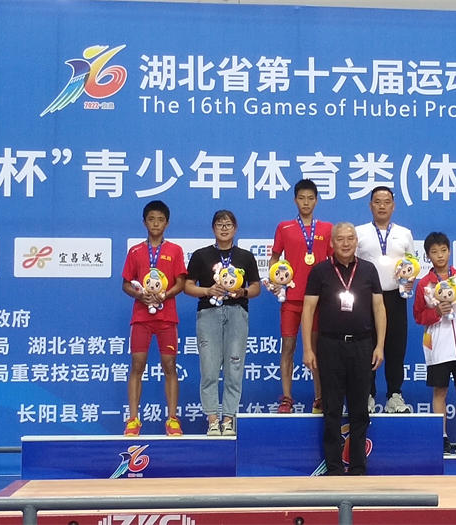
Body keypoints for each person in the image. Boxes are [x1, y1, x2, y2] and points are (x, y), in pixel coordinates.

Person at [302, 222, 385, 475]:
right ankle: (334, 467)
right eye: (340, 239)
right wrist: (308, 349)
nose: (346, 243)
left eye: (350, 238)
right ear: (332, 242)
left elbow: (379, 308)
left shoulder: (368, 270)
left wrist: (380, 345)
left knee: (360, 409)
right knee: (332, 408)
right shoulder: (320, 271)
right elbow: (308, 310)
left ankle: (358, 466)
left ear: (356, 241)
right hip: (330, 346)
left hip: (362, 345)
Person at [184, 210, 261, 437]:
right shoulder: (201, 255)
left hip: (237, 313)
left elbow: (256, 287)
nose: (224, 228)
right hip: (208, 314)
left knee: (234, 369)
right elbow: (188, 286)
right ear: (213, 228)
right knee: (209, 370)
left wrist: (242, 291)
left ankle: (228, 419)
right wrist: (207, 290)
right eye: (220, 224)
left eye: (228, 224)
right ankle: (212, 420)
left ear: (235, 228)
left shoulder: (246, 256)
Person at [266, 179, 333, 414]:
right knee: (288, 346)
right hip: (291, 299)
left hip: (318, 301)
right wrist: (275, 280)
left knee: (316, 349)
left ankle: (319, 397)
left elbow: (333, 262)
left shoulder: (327, 229)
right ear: (295, 200)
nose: (306, 202)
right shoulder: (284, 227)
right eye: (302, 198)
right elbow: (274, 259)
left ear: (316, 201)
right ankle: (286, 398)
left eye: (310, 198)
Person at [121, 200, 187, 437]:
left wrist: (164, 295)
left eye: (160, 220)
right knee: (137, 366)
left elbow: (181, 282)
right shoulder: (135, 251)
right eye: (151, 219)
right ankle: (133, 420)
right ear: (144, 222)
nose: (156, 224)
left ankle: (172, 420)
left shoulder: (175, 250)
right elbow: (126, 284)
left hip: (167, 317)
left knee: (169, 366)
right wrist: (140, 295)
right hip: (141, 317)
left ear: (167, 223)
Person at [413, 232, 456, 455]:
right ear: (427, 256)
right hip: (438, 346)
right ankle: (440, 437)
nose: (439, 255)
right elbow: (418, 316)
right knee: (440, 391)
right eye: (434, 252)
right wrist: (436, 312)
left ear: (449, 251)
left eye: (443, 250)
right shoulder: (424, 284)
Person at [355, 186, 415, 414]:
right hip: (366, 299)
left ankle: (394, 396)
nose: (382, 206)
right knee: (366, 347)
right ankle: (367, 395)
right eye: (377, 201)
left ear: (393, 206)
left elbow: (412, 264)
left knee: (395, 347)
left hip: (395, 297)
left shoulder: (404, 233)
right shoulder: (359, 232)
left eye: (386, 201)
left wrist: (410, 280)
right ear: (370, 205)